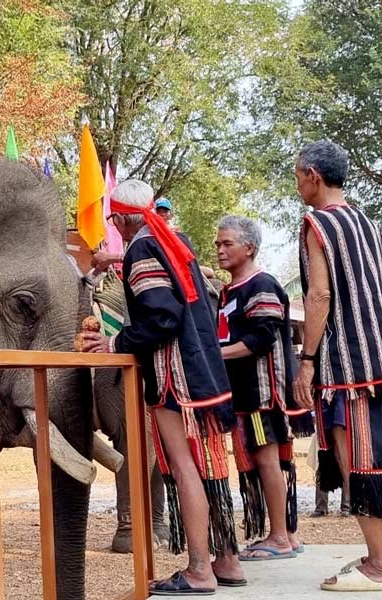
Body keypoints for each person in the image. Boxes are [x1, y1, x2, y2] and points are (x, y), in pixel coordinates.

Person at [81, 179, 242, 594]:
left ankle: (199, 570)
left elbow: (162, 318)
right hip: (206, 373)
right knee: (210, 467)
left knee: (185, 468)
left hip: (176, 378)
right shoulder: (175, 241)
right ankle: (226, 561)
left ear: (120, 219)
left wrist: (115, 342)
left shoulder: (141, 249)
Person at [292, 139, 382, 592]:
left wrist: (306, 361)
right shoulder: (366, 220)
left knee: (361, 461)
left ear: (313, 174)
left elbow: (320, 296)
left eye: (296, 174)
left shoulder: (318, 223)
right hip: (378, 352)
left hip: (351, 364)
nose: (297, 184)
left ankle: (379, 565)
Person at [214, 215, 313, 560]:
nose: (220, 250)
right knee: (263, 460)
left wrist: (214, 354)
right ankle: (286, 534)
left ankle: (280, 537)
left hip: (261, 394)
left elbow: (260, 339)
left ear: (249, 247)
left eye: (227, 243)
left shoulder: (262, 285)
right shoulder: (231, 290)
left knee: (267, 459)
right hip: (243, 394)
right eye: (218, 244)